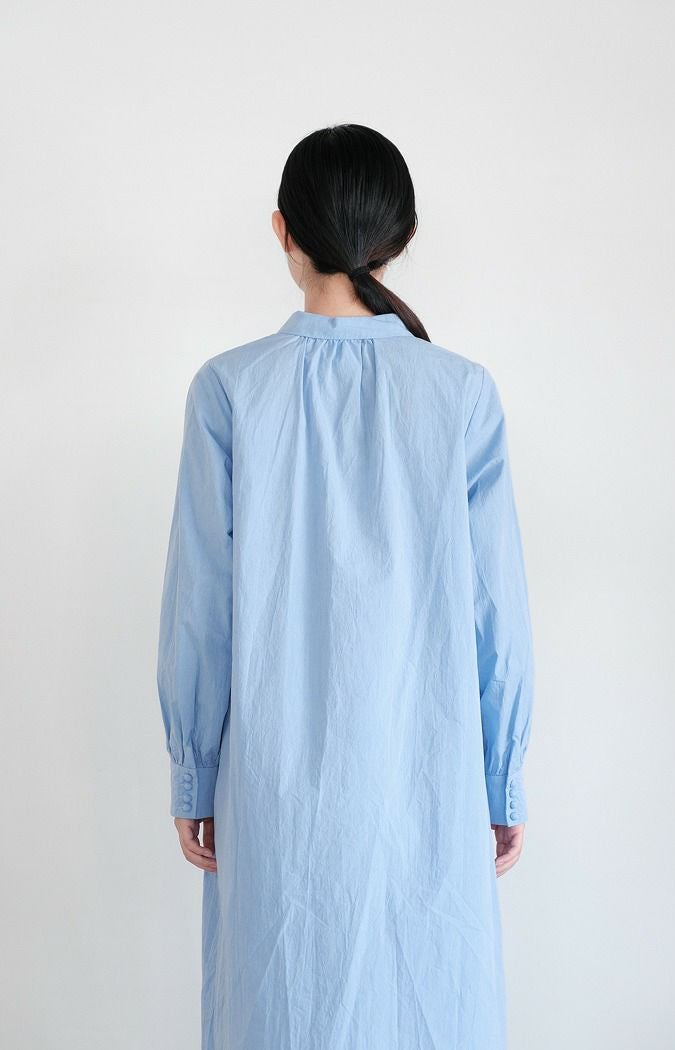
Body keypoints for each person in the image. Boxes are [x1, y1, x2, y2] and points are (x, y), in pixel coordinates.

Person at [156, 122, 535, 1050]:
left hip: (274, 792)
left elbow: (201, 609)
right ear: (400, 238)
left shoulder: (229, 390)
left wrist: (193, 769)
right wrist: (501, 778)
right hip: (429, 781)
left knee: (282, 1006)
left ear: (282, 230)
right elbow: (497, 613)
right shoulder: (461, 393)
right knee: (427, 1005)